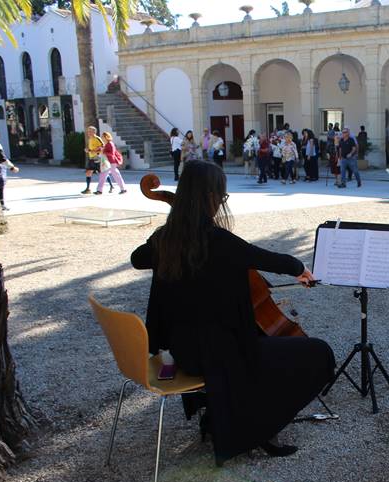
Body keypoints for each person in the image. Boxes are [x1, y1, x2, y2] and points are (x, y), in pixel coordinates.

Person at [130, 160, 335, 464]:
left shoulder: (165, 239)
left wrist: (169, 233)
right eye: (221, 198)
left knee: (268, 351)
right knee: (319, 354)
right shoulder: (218, 241)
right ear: (210, 198)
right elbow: (265, 258)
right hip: (220, 356)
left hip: (183, 352)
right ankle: (257, 429)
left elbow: (137, 259)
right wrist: (300, 268)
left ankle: (227, 414)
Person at [82, 125, 104, 194]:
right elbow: (90, 149)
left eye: (90, 131)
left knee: (102, 173)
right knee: (88, 172)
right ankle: (88, 188)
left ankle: (111, 185)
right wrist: (87, 150)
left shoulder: (97, 138)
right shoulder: (90, 139)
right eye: (88, 131)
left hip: (97, 158)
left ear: (94, 132)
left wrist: (93, 150)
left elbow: (102, 146)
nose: (88, 132)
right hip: (91, 158)